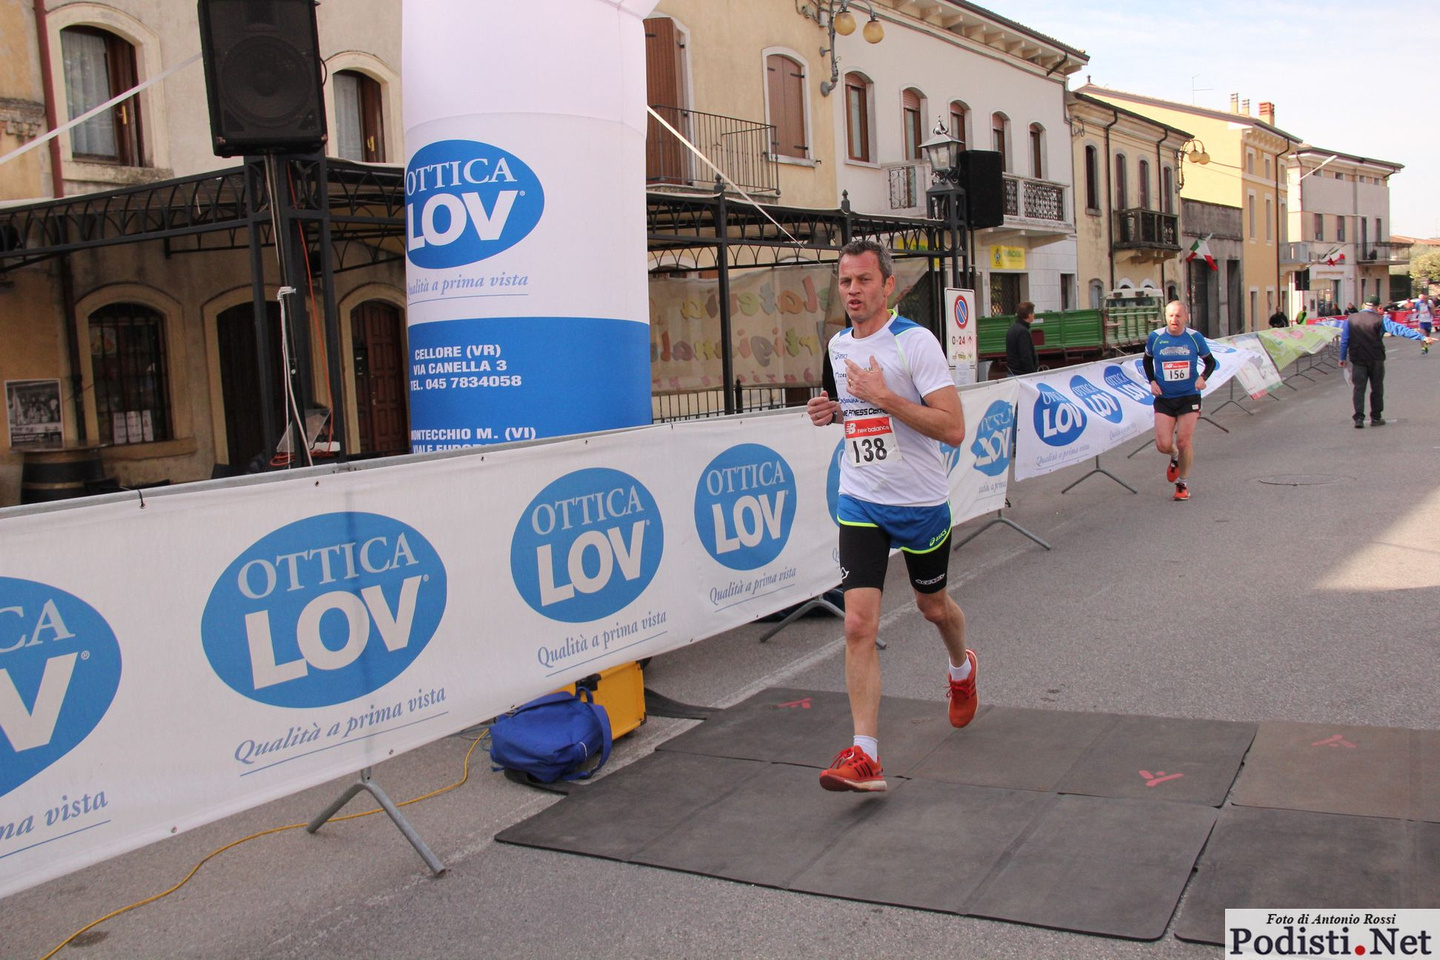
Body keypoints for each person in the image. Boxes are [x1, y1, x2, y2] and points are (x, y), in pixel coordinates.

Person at [806, 238, 972, 793]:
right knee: (857, 625)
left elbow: (952, 428)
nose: (852, 291)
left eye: (863, 280)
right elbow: (856, 415)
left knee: (933, 607)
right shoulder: (837, 346)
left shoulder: (915, 343)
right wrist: (832, 413)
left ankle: (961, 669)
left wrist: (885, 397)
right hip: (860, 499)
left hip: (919, 503)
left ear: (888, 286)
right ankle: (866, 755)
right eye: (845, 281)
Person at [1144, 301, 1216, 502]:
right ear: (1165, 317)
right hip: (1164, 398)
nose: (1174, 319)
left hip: (1188, 396)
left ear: (1186, 317)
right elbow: (1147, 360)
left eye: (1178, 316)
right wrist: (1152, 381)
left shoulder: (1194, 338)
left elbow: (1211, 362)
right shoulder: (1156, 337)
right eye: (1170, 316)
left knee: (1184, 440)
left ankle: (1182, 484)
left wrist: (1202, 378)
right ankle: (1174, 455)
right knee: (1163, 445)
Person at [1339, 295, 1434, 427]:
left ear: (1364, 305)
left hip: (1358, 358)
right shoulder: (1380, 319)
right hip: (1376, 357)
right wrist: (1422, 337)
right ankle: (1376, 417)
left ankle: (1359, 418)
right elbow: (1399, 329)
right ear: (1378, 307)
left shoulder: (1351, 319)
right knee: (1376, 387)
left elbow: (1345, 340)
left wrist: (1342, 358)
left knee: (1359, 388)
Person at [1005, 301, 1040, 376]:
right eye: (1033, 312)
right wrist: (1032, 374)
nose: (1034, 314)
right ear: (1028, 315)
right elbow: (1025, 355)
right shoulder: (1023, 332)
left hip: (1013, 372)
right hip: (1021, 374)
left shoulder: (1013, 328)